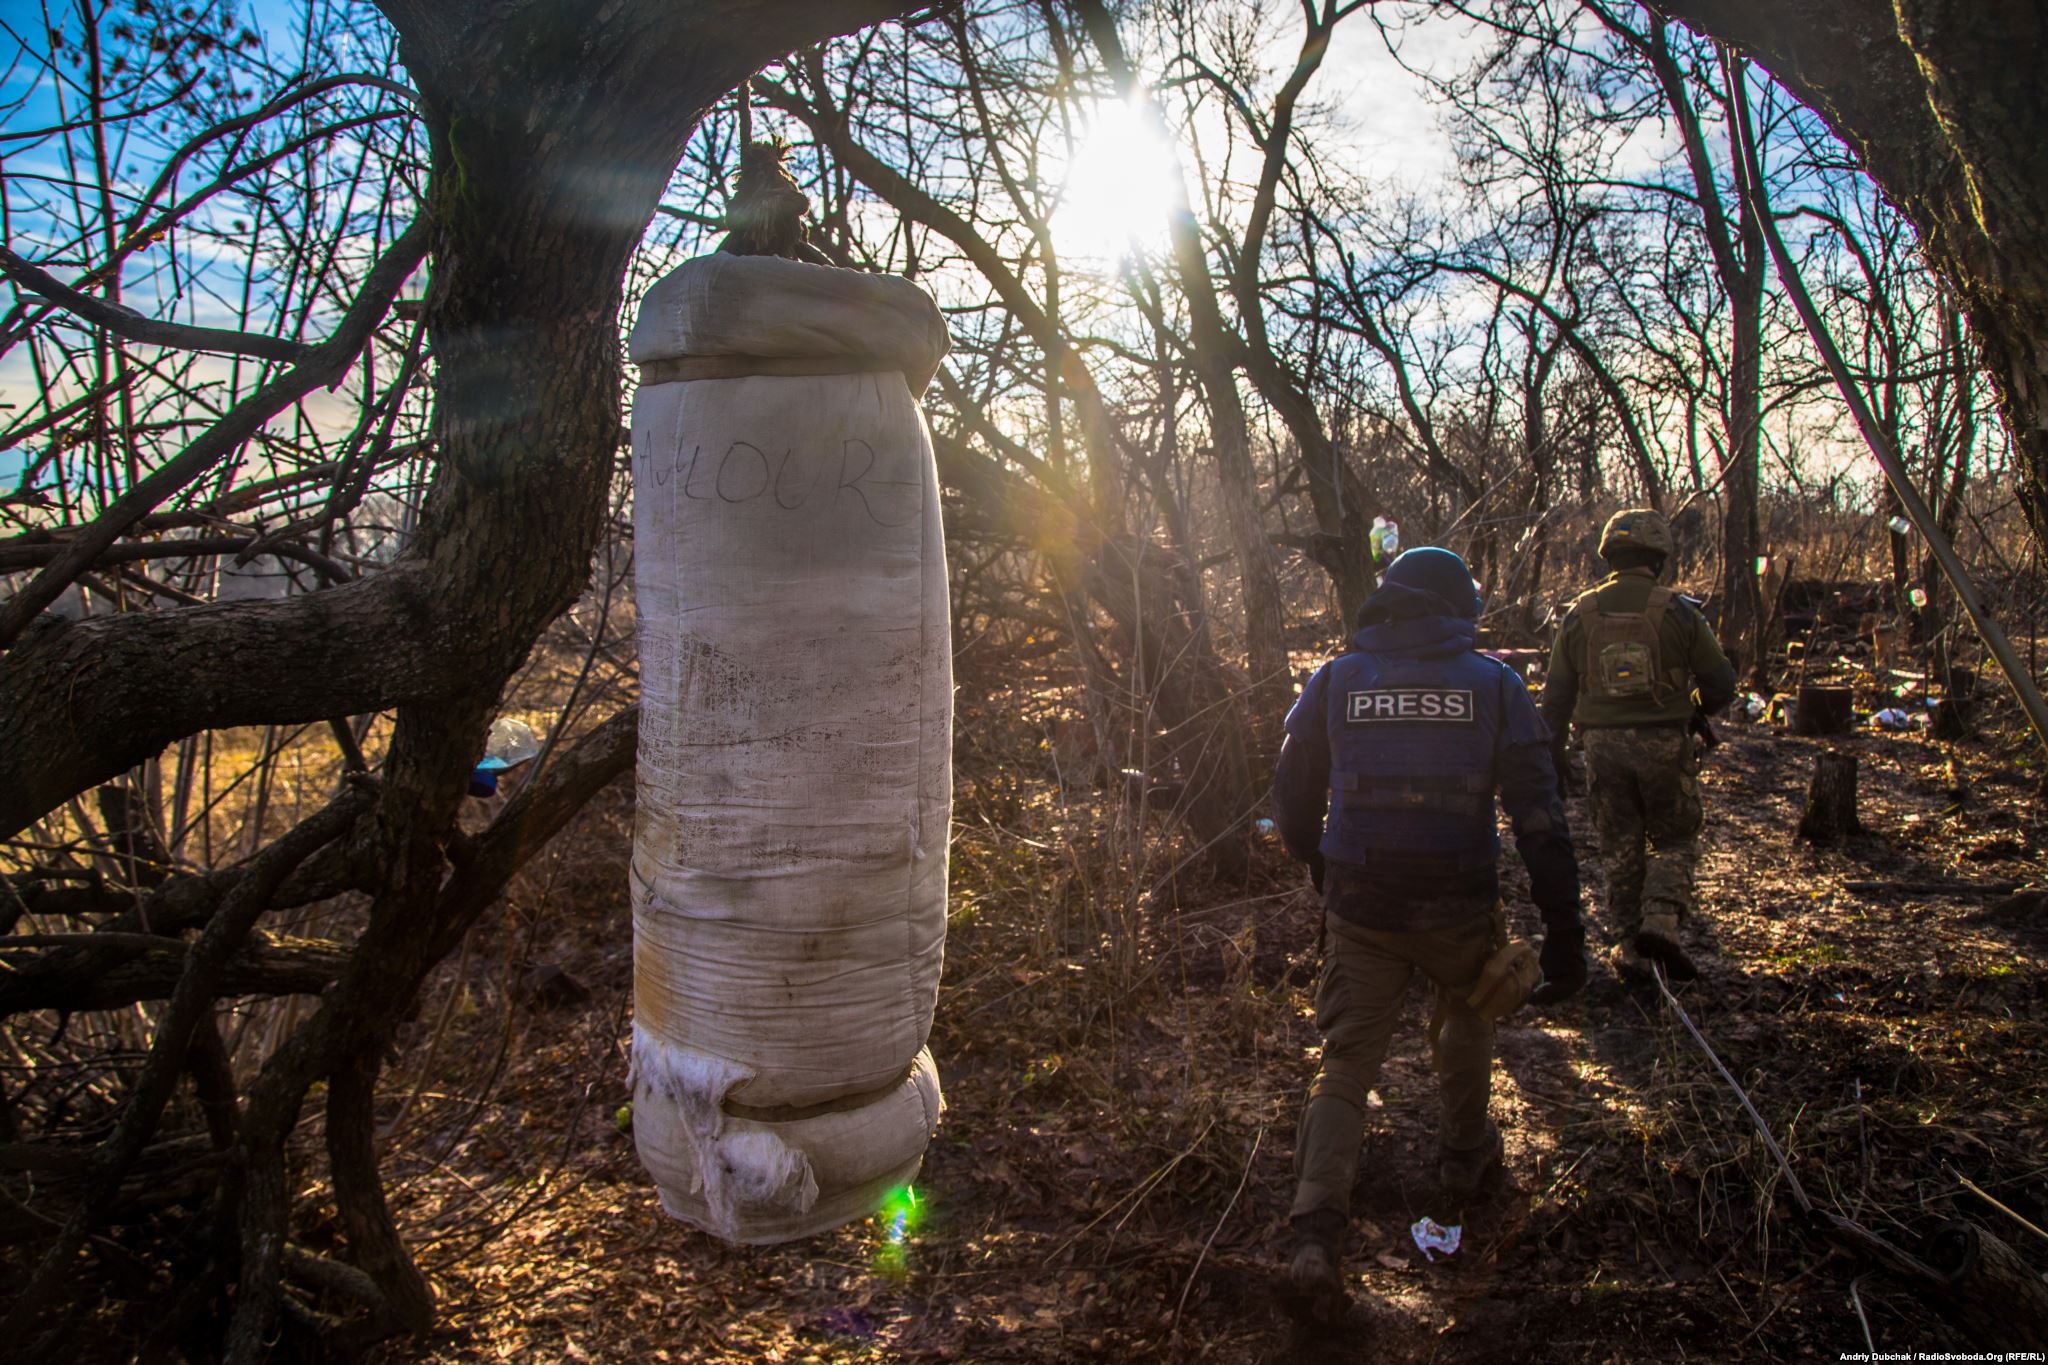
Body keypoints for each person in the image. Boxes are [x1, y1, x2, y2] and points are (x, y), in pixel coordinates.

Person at [1271, 547, 1586, 1322]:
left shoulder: (1338, 677)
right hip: (1456, 904)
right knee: (1469, 1015)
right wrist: (1565, 926)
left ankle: (1314, 1231)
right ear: (1459, 608)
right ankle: (1461, 1160)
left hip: (1362, 904)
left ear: (1387, 603)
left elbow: (1289, 789)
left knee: (1345, 1061)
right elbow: (1541, 818)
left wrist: (1318, 860)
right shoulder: (1495, 684)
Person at [1541, 509, 1737, 983]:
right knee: (1675, 837)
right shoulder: (1679, 611)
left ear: (1610, 555)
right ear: (1658, 558)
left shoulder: (1580, 614)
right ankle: (1661, 921)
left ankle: (1631, 951)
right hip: (1665, 743)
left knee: (1619, 846)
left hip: (1602, 749)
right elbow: (1722, 683)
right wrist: (1691, 705)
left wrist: (1557, 754)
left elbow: (1556, 698)